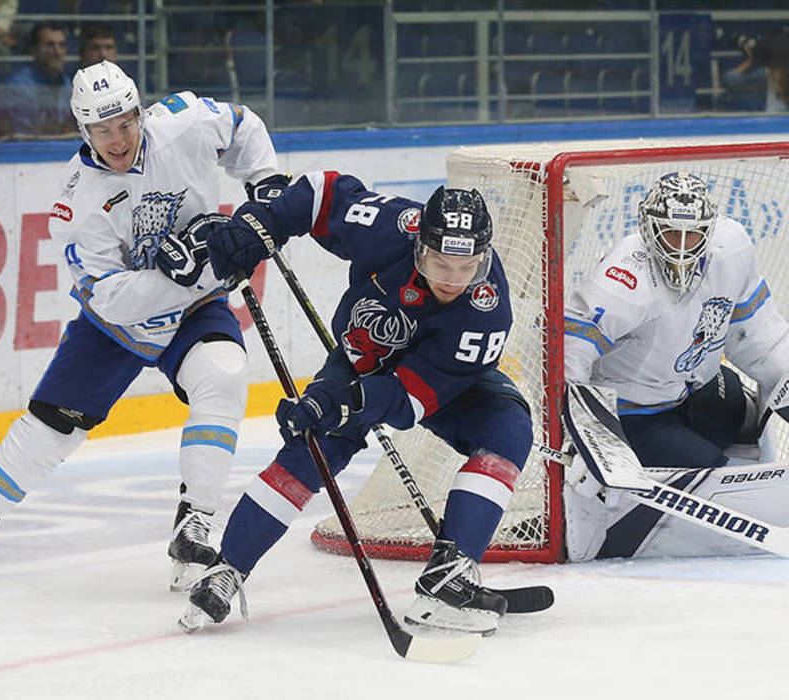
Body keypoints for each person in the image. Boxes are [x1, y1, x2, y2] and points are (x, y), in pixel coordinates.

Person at [167, 174, 534, 635]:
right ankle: (228, 569)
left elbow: (404, 400)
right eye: (441, 263)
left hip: (438, 382)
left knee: (508, 430)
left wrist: (337, 402)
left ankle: (448, 575)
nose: (454, 281)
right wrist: (261, 223)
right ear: (419, 243)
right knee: (310, 450)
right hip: (361, 360)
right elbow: (323, 195)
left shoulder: (487, 314)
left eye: (467, 267)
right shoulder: (392, 225)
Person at [0, 60, 282, 590]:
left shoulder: (184, 122)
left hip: (195, 307)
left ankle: (195, 522)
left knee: (224, 372)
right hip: (118, 326)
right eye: (103, 129)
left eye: (125, 122)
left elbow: (244, 126)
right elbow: (111, 298)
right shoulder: (76, 202)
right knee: (49, 431)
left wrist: (265, 186)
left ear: (138, 110)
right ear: (83, 130)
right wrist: (194, 268)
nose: (118, 138)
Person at [562, 171, 789, 560]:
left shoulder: (731, 248)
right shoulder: (624, 277)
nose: (682, 247)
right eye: (670, 233)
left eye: (693, 234)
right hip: (636, 413)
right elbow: (569, 355)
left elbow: (759, 336)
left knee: (752, 425)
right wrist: (588, 442)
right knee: (715, 477)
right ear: (649, 228)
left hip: (700, 389)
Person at [1, 21, 75, 137]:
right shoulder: (18, 87)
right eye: (50, 45)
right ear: (34, 50)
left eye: (62, 45)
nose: (57, 52)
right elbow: (21, 135)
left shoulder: (67, 85)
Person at [722, 28, 789, 113]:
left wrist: (752, 59)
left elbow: (730, 79)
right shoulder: (764, 74)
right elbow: (730, 80)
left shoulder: (765, 74)